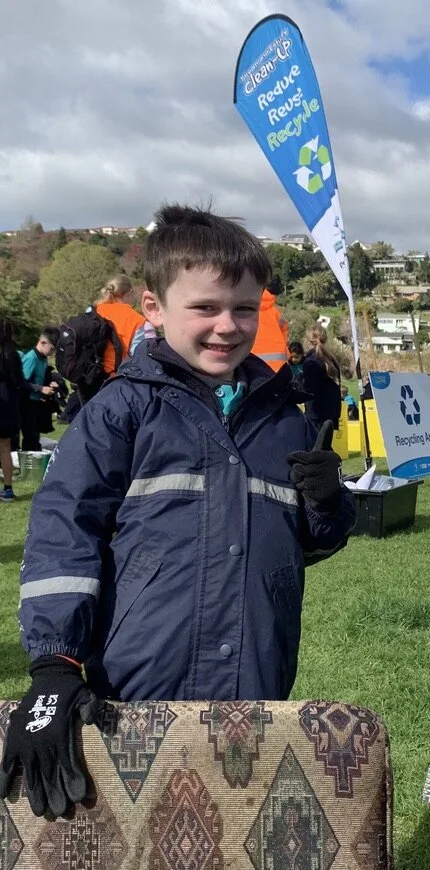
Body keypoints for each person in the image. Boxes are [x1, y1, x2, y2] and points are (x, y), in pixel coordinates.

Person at [0, 203, 356, 819]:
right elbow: (64, 531)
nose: (227, 326)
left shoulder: (283, 421)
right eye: (205, 308)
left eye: (245, 308)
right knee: (138, 836)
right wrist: (55, 663)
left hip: (255, 678)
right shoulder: (119, 413)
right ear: (154, 309)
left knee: (228, 833)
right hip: (134, 685)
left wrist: (330, 504)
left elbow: (306, 545)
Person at [91, 273, 156, 397]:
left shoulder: (93, 311)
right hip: (118, 384)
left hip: (90, 380)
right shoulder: (137, 321)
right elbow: (144, 359)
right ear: (129, 293)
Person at [18, 326, 59, 451]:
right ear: (43, 342)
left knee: (35, 434)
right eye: (51, 349)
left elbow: (42, 376)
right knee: (31, 435)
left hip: (36, 402)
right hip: (26, 402)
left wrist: (51, 382)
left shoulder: (43, 359)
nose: (52, 353)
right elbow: (21, 382)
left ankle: (33, 456)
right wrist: (41, 389)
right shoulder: (31, 358)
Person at [0, 319, 25, 501]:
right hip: (7, 403)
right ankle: (8, 488)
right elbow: (19, 381)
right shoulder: (12, 355)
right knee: (5, 448)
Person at [303, 323, 342, 432]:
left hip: (316, 415)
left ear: (307, 341)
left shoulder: (311, 362)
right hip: (331, 414)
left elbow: (308, 389)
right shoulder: (331, 361)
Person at [250, 278, 289, 369]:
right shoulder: (275, 312)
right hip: (279, 364)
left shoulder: (246, 311)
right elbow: (284, 327)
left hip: (253, 361)